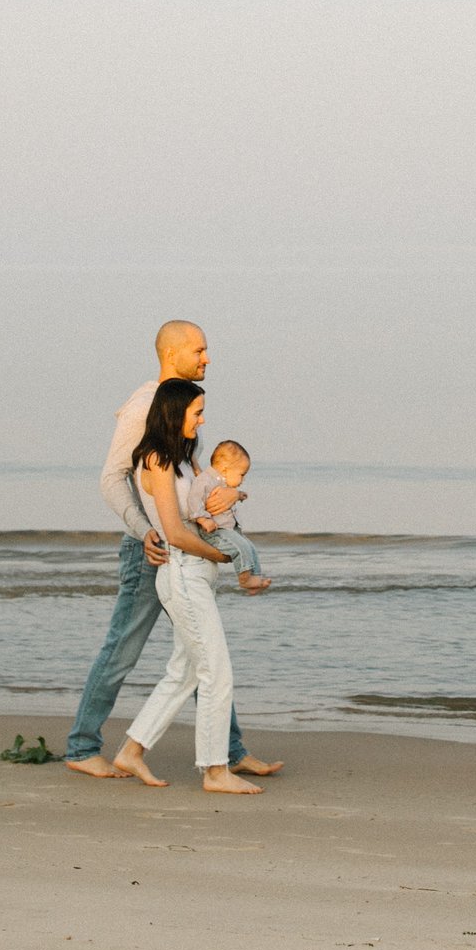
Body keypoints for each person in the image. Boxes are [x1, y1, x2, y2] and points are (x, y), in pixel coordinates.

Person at [61, 321, 281, 780]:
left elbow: (198, 481)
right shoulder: (144, 406)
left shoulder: (183, 407)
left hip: (183, 545)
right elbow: (111, 478)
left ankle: (231, 750)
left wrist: (232, 496)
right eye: (200, 349)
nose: (207, 358)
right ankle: (82, 746)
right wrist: (147, 533)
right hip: (152, 549)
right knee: (126, 648)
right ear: (173, 352)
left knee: (199, 651)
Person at [109, 377, 261, 793]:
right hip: (182, 572)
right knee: (216, 670)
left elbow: (218, 494)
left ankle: (131, 751)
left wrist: (236, 496)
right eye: (197, 412)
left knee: (184, 673)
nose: (202, 418)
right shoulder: (157, 460)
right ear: (175, 412)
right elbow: (175, 532)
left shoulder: (186, 459)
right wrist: (222, 557)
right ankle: (215, 770)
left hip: (197, 576)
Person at [191, 439, 269, 594]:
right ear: (226, 470)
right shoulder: (205, 480)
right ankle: (245, 580)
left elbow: (227, 495)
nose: (243, 479)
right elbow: (194, 500)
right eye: (242, 474)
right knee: (241, 548)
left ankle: (256, 579)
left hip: (228, 530)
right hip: (215, 531)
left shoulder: (222, 481)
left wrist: (239, 495)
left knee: (250, 547)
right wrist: (203, 519)